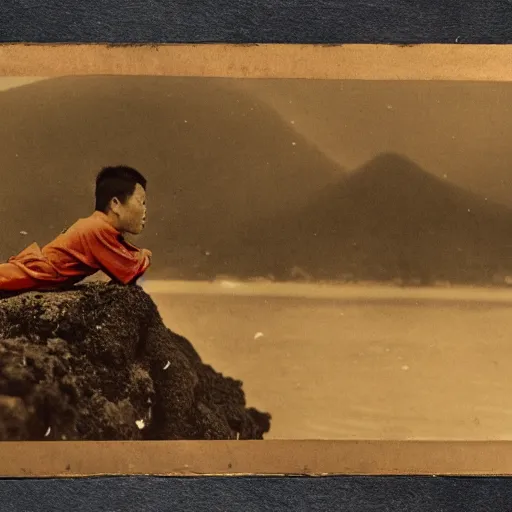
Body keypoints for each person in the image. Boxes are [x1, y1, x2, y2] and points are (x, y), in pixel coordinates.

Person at [0, 165, 152, 293]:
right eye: (141, 202)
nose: (145, 210)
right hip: (37, 273)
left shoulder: (98, 225)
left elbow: (124, 256)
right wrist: (144, 256)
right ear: (115, 204)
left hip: (38, 272)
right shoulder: (97, 228)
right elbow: (129, 270)